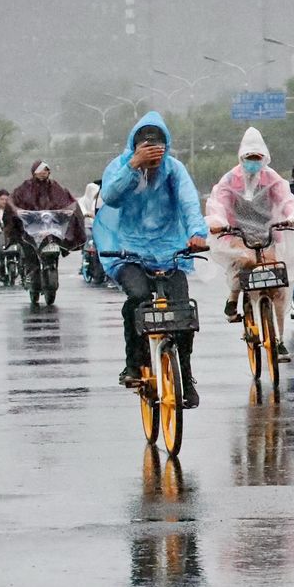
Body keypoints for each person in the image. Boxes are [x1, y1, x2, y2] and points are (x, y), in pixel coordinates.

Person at [97, 113, 210, 407]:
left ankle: (184, 374)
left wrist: (197, 233)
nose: (154, 155)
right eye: (147, 149)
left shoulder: (174, 170)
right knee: (138, 297)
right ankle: (133, 364)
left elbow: (188, 203)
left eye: (158, 148)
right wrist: (133, 166)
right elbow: (110, 197)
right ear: (135, 147)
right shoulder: (121, 166)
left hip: (170, 250)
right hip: (129, 250)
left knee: (183, 314)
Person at [205, 128, 294, 361]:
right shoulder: (230, 180)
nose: (252, 162)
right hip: (236, 233)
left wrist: (292, 217)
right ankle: (233, 297)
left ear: (264, 158)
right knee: (247, 262)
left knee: (277, 282)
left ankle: (278, 339)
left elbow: (287, 200)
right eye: (248, 158)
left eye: (256, 158)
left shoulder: (272, 179)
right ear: (241, 157)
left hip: (268, 233)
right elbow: (219, 204)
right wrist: (218, 223)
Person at [8, 160, 84, 297]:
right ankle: (31, 274)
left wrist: (68, 211)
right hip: (31, 230)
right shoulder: (25, 187)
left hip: (51, 228)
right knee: (29, 250)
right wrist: (20, 212)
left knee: (55, 244)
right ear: (33, 172)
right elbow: (14, 202)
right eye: (40, 170)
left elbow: (67, 202)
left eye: (46, 170)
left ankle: (50, 269)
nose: (43, 172)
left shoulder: (56, 187)